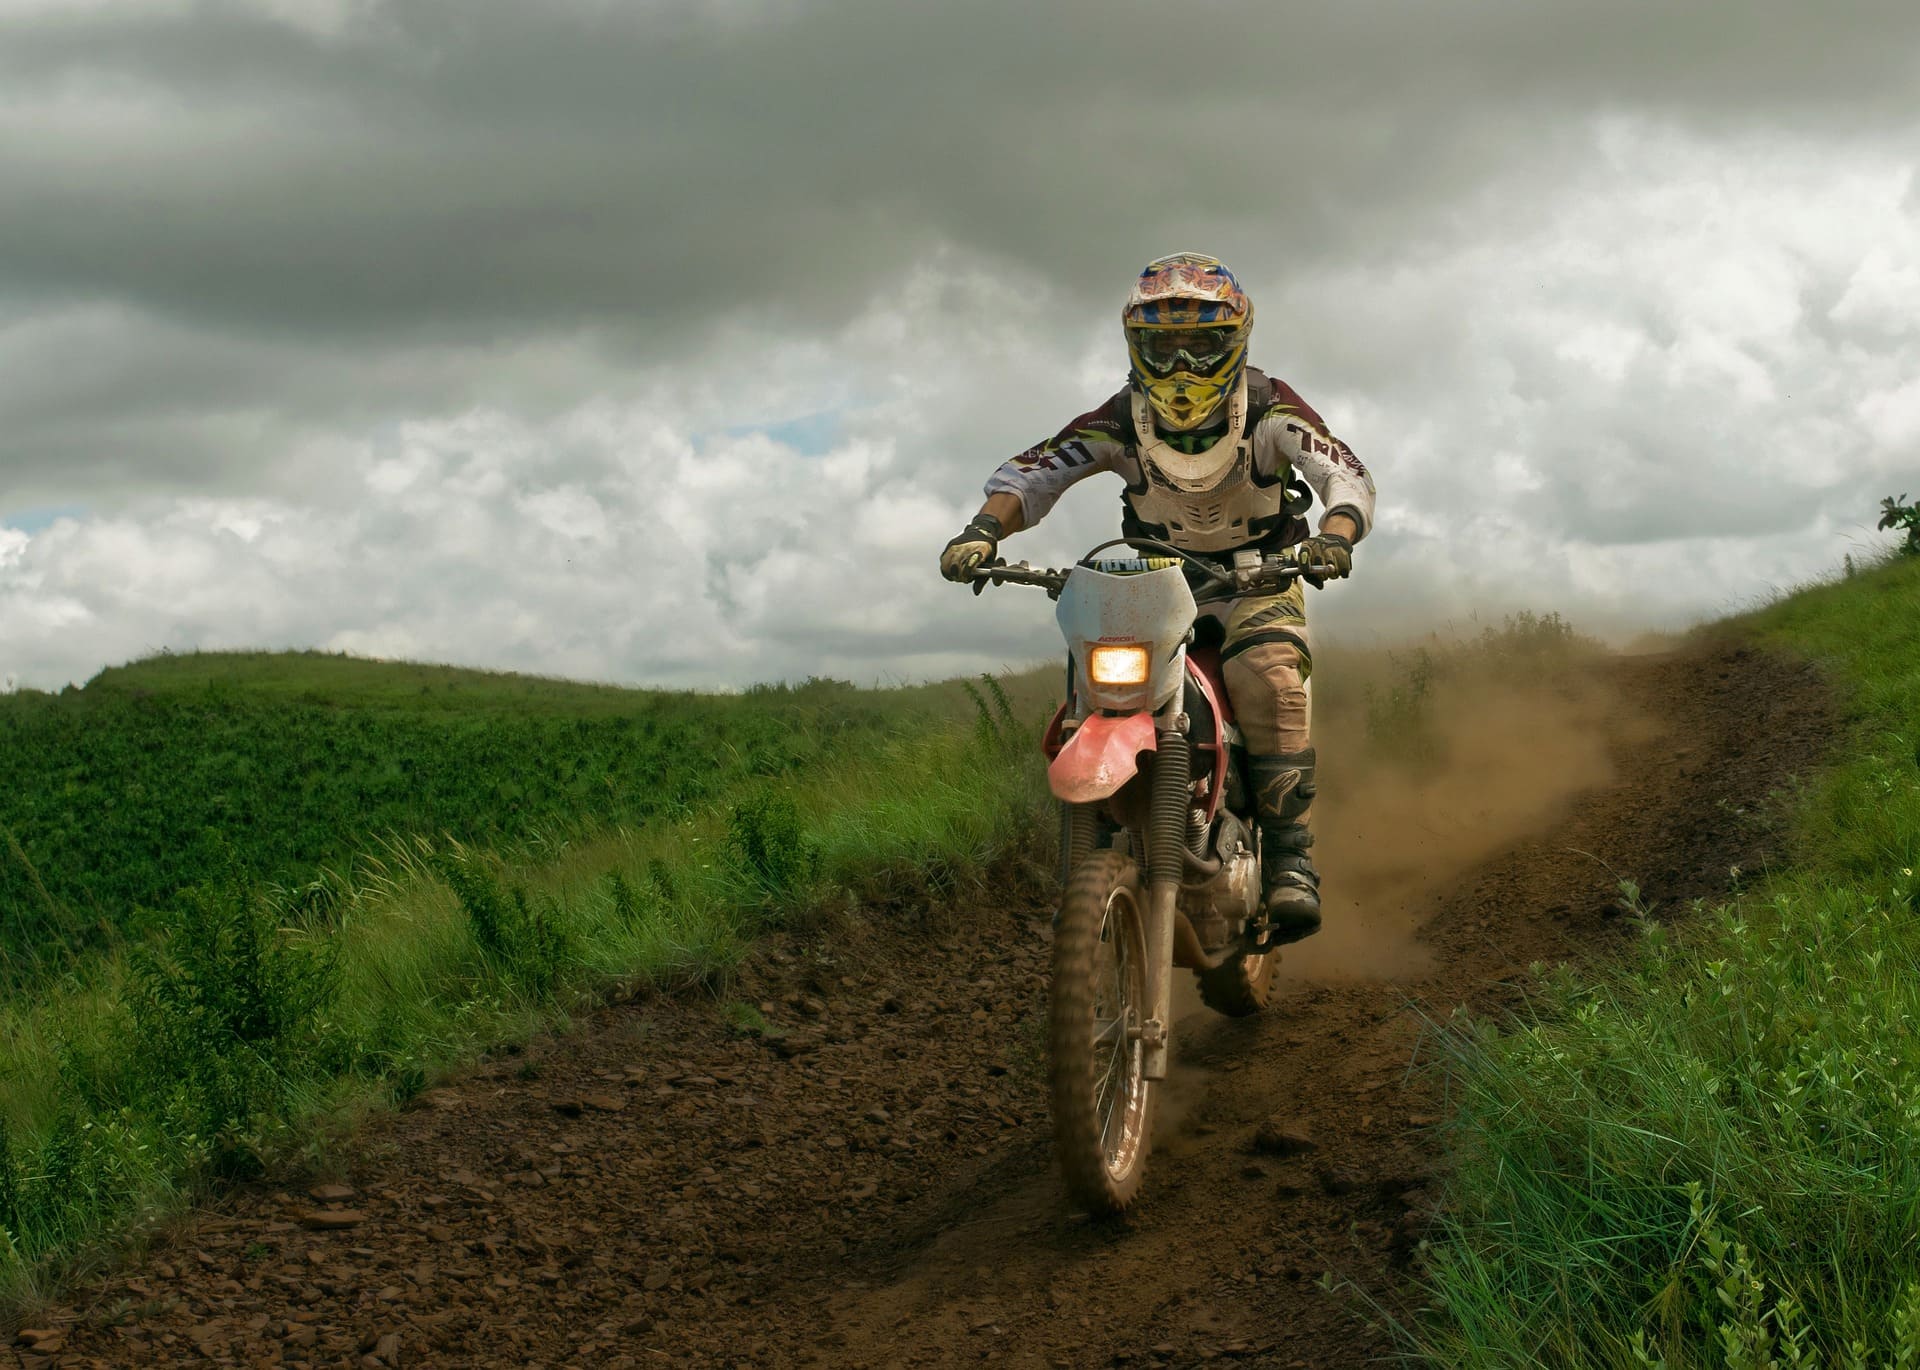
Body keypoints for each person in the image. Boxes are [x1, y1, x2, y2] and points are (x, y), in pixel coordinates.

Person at [938, 252, 1375, 944]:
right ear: (1135, 347)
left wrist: (1336, 536)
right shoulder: (1119, 418)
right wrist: (983, 530)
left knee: (1267, 678)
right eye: (1161, 345)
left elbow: (1342, 472)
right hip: (1157, 581)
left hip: (1257, 576)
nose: (1180, 366)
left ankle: (1291, 858)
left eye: (1200, 344)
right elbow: (1036, 472)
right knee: (1093, 684)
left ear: (1233, 343)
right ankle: (1092, 863)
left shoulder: (1267, 407)